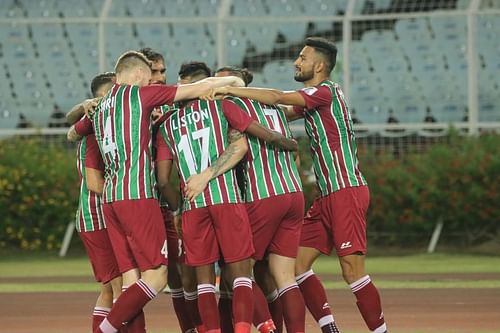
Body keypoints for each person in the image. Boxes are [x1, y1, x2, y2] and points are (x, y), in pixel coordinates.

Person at [204, 37, 388, 333]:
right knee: (297, 266)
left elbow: (277, 97)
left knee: (352, 271)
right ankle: (329, 328)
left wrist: (228, 89)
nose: (296, 62)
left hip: (346, 191)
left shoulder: (326, 92)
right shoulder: (314, 101)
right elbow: (276, 112)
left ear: (318, 65)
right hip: (326, 196)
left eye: (302, 57)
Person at [70, 50, 249, 333]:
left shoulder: (101, 107)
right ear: (140, 75)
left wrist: (84, 108)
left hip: (111, 200)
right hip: (137, 196)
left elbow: (73, 131)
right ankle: (104, 329)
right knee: (157, 277)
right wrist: (232, 84)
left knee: (131, 283)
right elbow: (197, 88)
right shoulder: (139, 96)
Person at [156, 81, 298, 333]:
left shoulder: (167, 126)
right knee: (242, 274)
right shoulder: (221, 108)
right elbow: (245, 142)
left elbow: (164, 179)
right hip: (227, 200)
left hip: (193, 206)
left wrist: (178, 206)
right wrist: (287, 142)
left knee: (204, 283)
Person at [211, 66, 306, 333]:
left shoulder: (229, 106)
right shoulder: (271, 107)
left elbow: (235, 148)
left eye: (218, 83)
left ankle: (267, 328)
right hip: (293, 192)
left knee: (236, 268)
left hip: (263, 195)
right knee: (285, 277)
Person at [66, 72, 123, 332]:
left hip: (97, 215)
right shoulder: (95, 133)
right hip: (97, 215)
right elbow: (93, 183)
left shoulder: (103, 128)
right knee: (120, 287)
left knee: (109, 290)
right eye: (107, 95)